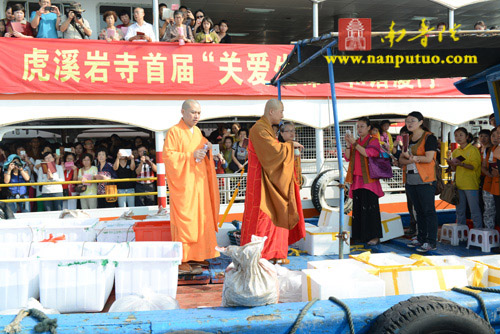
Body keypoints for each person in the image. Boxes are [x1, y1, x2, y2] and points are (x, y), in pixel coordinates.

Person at [240, 99, 305, 263]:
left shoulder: (266, 128)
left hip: (270, 179)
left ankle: (275, 252)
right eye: (281, 111)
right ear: (271, 112)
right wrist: (290, 146)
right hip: (261, 182)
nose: (282, 115)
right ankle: (261, 254)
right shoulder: (259, 129)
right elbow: (273, 152)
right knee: (263, 217)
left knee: (275, 215)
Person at [163, 99, 220, 273]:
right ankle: (183, 258)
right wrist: (190, 155)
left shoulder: (197, 132)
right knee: (185, 222)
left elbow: (203, 150)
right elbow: (169, 157)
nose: (196, 116)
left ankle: (199, 255)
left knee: (201, 220)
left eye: (198, 113)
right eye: (193, 112)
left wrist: (209, 149)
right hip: (184, 187)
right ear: (183, 112)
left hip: (199, 184)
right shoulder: (174, 131)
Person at [399, 111, 439, 253]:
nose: (409, 123)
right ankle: (421, 237)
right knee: (418, 211)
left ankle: (431, 241)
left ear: (421, 122)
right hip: (410, 180)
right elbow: (401, 160)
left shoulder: (429, 138)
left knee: (428, 211)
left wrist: (413, 158)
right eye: (407, 120)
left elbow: (428, 158)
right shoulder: (406, 139)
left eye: (412, 120)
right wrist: (410, 159)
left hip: (425, 180)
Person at [344, 117, 384, 245]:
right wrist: (348, 145)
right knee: (358, 209)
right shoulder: (356, 141)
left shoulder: (374, 141)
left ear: (368, 128)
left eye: (362, 126)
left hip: (369, 180)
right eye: (358, 126)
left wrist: (354, 144)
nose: (359, 129)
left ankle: (375, 236)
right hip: (356, 179)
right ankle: (359, 236)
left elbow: (368, 153)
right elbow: (348, 157)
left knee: (371, 208)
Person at [448, 127, 483, 228]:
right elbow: (454, 169)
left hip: (471, 184)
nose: (458, 137)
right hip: (459, 184)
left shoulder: (473, 150)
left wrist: (461, 164)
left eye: (461, 135)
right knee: (460, 211)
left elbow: (474, 167)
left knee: (474, 210)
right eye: (456, 135)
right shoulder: (455, 151)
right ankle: (460, 233)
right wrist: (451, 164)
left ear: (467, 136)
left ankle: (478, 231)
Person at [482, 127, 499, 229]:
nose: (495, 138)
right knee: (488, 210)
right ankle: (489, 234)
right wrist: (488, 173)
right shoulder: (488, 150)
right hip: (488, 184)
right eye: (493, 135)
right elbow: (483, 166)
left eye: (498, 135)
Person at [279, 122, 303, 188]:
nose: (291, 133)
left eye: (293, 130)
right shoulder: (279, 146)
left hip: (295, 177)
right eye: (288, 131)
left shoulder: (296, 145)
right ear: (281, 133)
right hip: (285, 179)